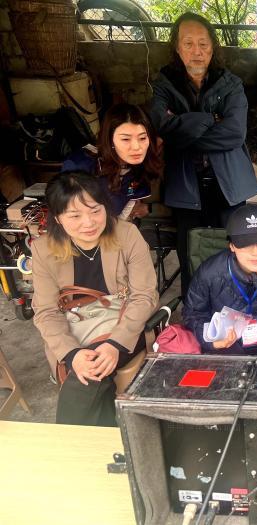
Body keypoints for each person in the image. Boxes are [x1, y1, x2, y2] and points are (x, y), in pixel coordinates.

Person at [31, 171, 158, 426]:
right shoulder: (43, 249)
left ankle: (74, 444)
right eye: (75, 216)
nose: (89, 223)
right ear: (58, 218)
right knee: (87, 371)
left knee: (88, 377)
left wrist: (114, 344)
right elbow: (46, 311)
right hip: (75, 329)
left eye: (95, 211)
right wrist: (72, 354)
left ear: (105, 208)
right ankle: (106, 438)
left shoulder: (127, 235)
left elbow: (144, 296)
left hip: (124, 325)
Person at [150, 12, 257, 293]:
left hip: (229, 186)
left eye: (203, 44)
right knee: (192, 258)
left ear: (213, 48)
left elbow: (235, 133)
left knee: (235, 254)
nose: (196, 51)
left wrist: (182, 131)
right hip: (186, 186)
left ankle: (234, 309)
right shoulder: (164, 83)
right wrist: (211, 119)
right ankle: (196, 314)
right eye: (188, 43)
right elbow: (162, 126)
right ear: (177, 47)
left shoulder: (230, 83)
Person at [182, 204, 257, 355]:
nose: (255, 252)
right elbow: (193, 314)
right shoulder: (210, 271)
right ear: (232, 246)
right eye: (246, 244)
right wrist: (212, 341)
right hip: (224, 347)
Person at [61, 103, 162, 221]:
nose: (136, 147)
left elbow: (129, 203)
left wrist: (119, 227)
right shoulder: (81, 165)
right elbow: (67, 214)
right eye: (125, 139)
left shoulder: (139, 167)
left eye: (142, 138)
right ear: (110, 140)